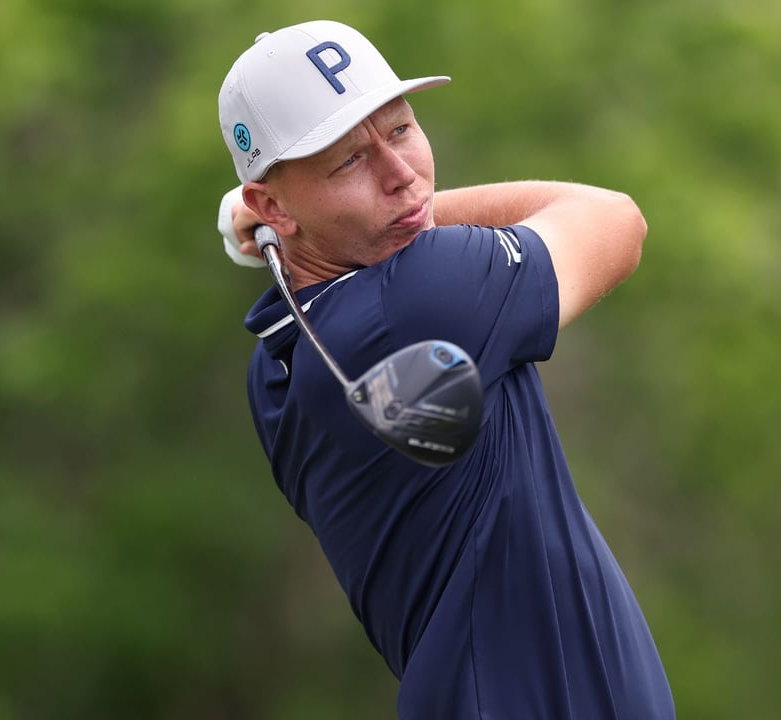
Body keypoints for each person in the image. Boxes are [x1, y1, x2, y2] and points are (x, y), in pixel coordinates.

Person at [216, 20, 674, 719]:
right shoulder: (423, 295)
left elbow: (369, 243)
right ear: (269, 204)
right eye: (347, 162)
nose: (400, 173)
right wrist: (411, 216)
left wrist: (293, 227)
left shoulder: (276, 362)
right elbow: (615, 219)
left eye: (399, 130)